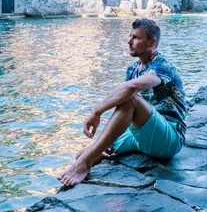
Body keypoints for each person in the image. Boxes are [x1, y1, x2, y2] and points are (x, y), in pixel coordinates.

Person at [57, 18, 186, 187]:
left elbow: (131, 89)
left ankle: (84, 165)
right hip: (141, 134)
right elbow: (123, 106)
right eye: (130, 36)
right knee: (81, 154)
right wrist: (109, 136)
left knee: (131, 97)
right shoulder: (133, 69)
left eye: (136, 38)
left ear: (151, 43)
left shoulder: (162, 66)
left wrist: (97, 112)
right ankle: (89, 159)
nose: (129, 41)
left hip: (169, 137)